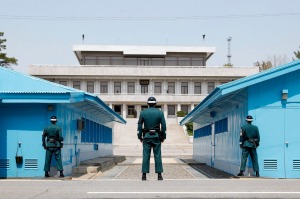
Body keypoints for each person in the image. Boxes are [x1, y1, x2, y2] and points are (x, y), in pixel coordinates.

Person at [137, 97, 166, 180]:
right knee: (157, 155)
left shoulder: (143, 113)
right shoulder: (160, 113)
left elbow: (139, 125)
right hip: (156, 136)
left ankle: (144, 175)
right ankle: (159, 175)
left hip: (146, 136)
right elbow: (163, 126)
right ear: (155, 103)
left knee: (146, 155)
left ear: (148, 104)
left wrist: (140, 137)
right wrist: (163, 136)